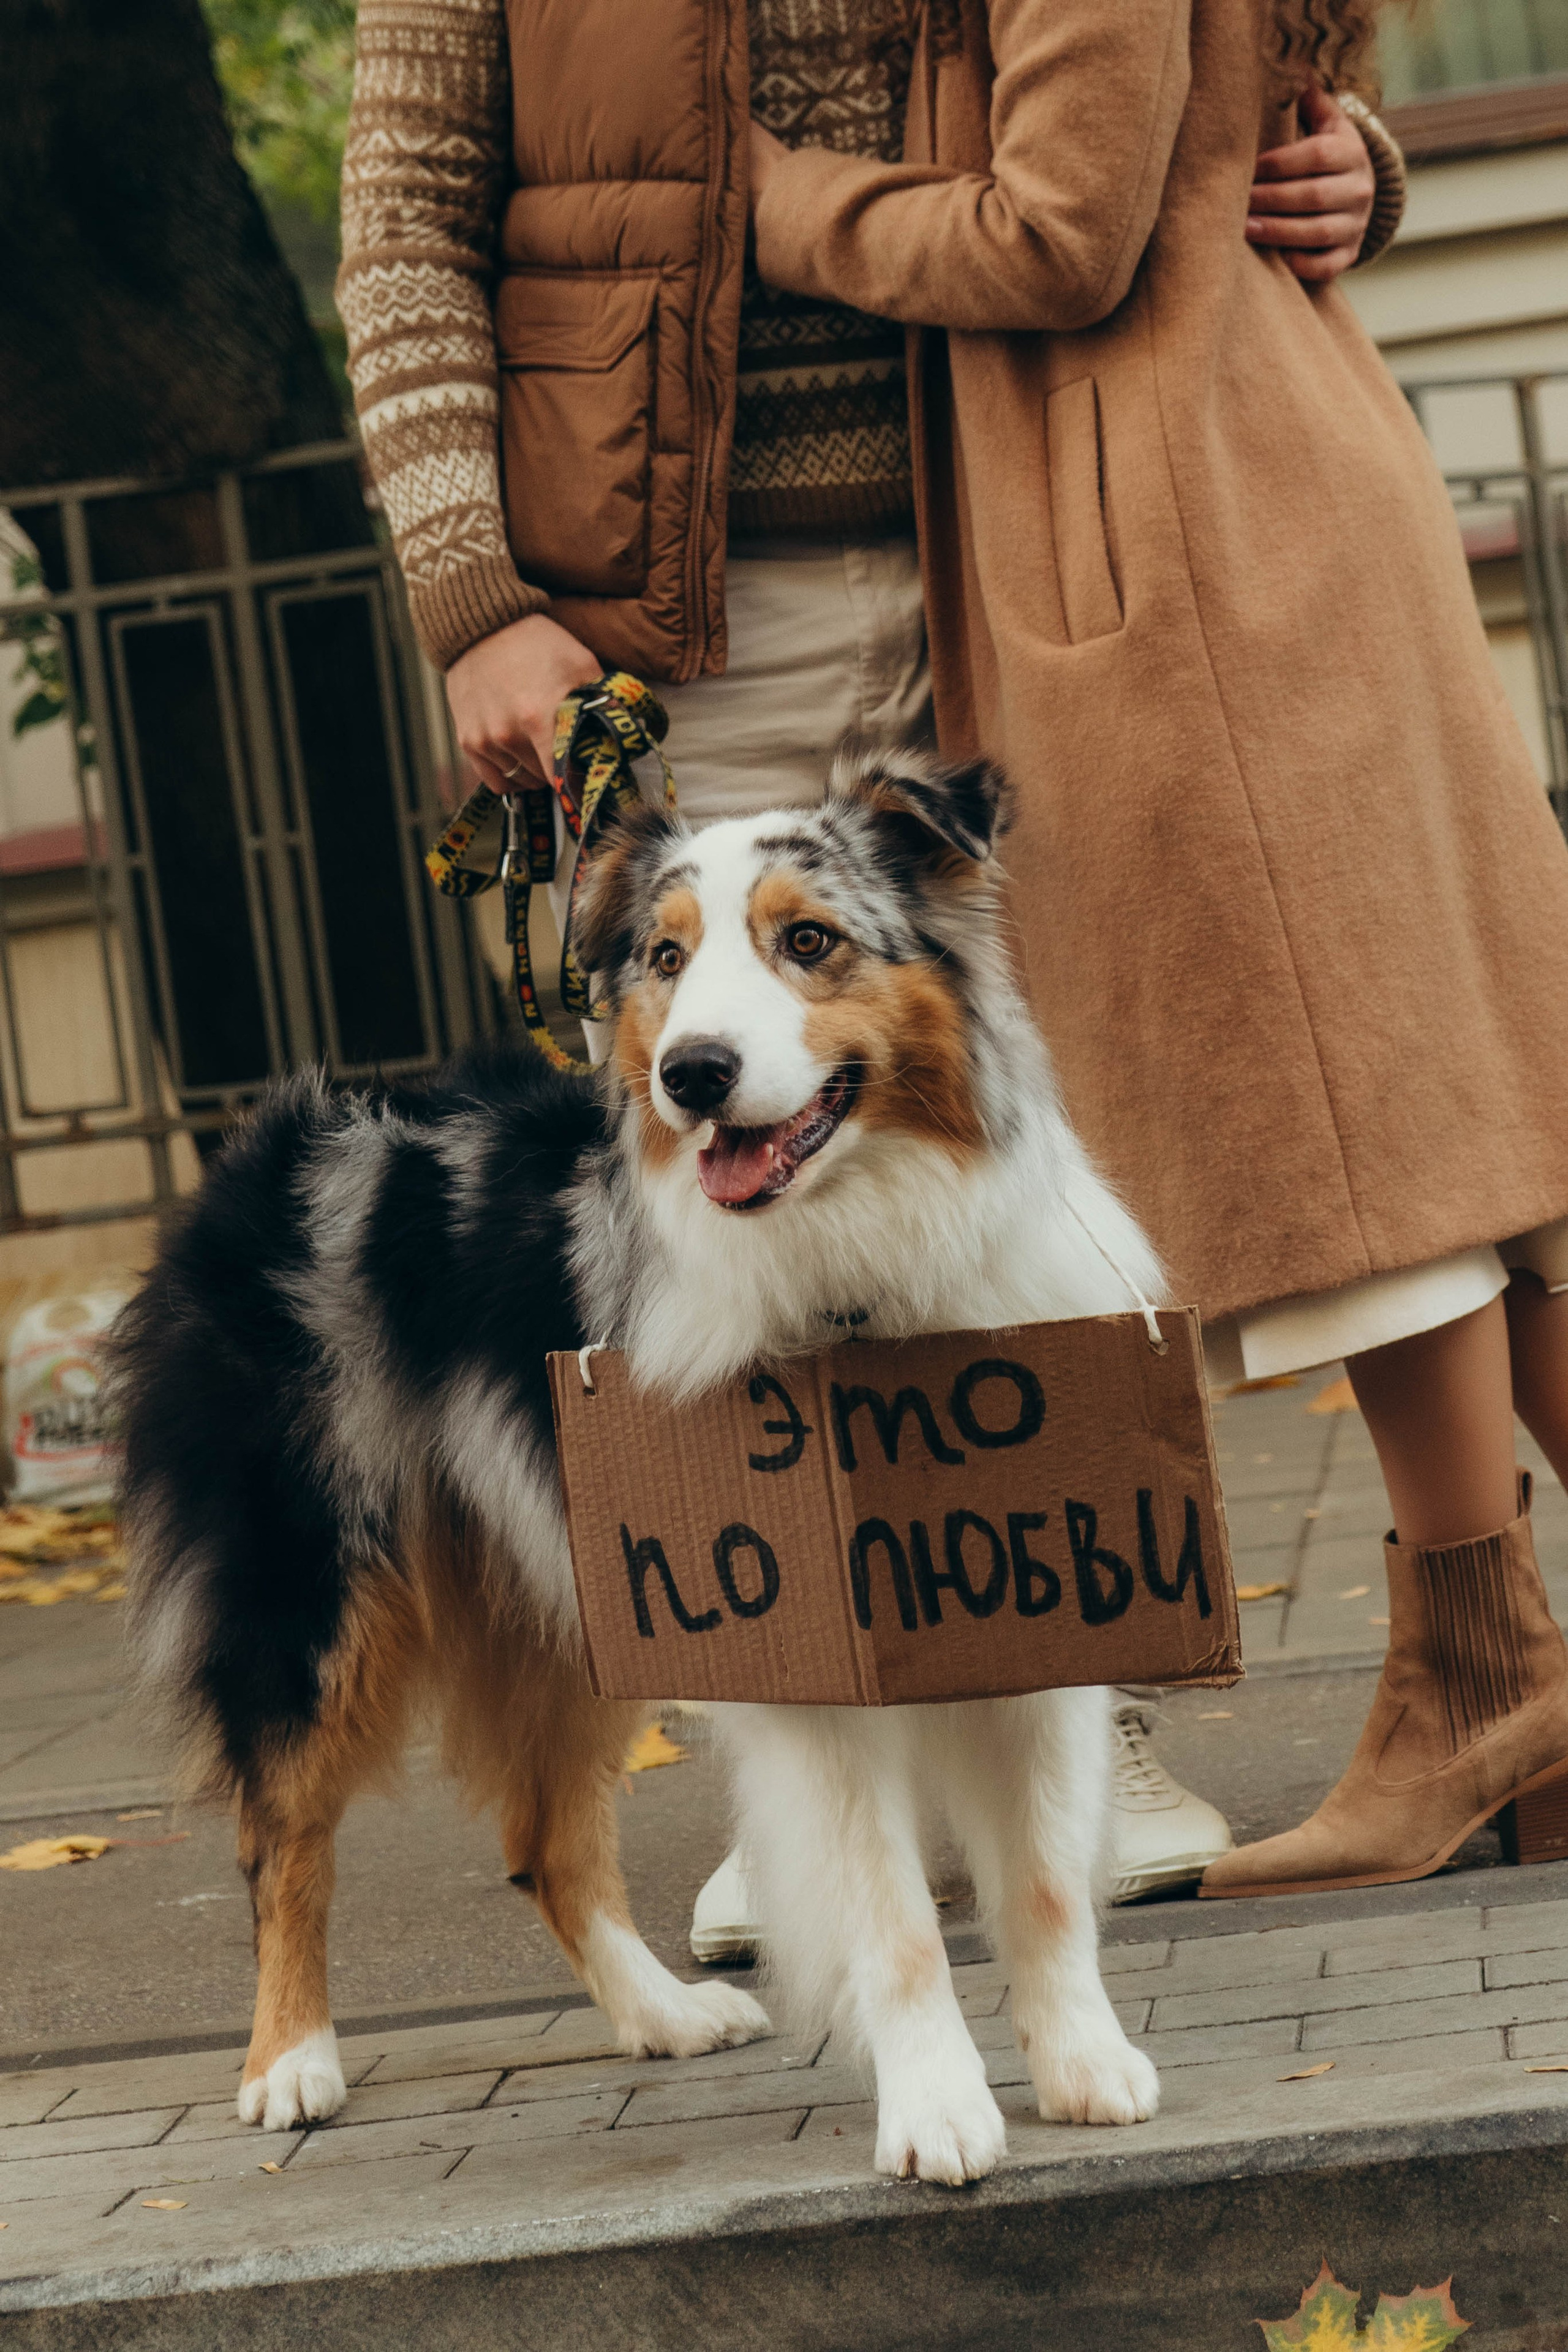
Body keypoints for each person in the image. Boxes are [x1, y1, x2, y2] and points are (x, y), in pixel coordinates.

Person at [336, 0, 1560, 1912]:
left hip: (1019, 533)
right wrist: (471, 594)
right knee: (743, 1200)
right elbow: (405, 225)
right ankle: (811, 1764)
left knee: (1016, 1179)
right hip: (679, 597)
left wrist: (1348, 168)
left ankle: (1084, 1714)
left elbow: (1154, 102)